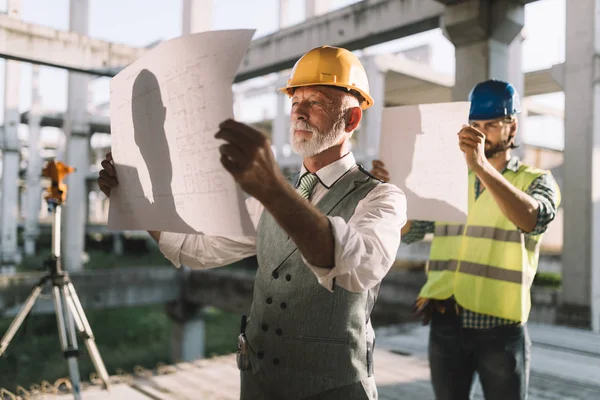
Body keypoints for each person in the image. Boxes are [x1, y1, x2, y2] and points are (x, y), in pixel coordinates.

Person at [98, 45, 407, 400]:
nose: (299, 114)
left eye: (316, 103)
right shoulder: (269, 195)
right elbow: (199, 249)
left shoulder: (382, 197)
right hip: (259, 383)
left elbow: (360, 266)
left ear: (351, 120)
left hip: (334, 389)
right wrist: (135, 202)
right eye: (295, 103)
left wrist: (274, 189)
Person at [371, 79, 561, 400]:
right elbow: (412, 230)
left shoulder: (536, 179)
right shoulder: (449, 176)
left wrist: (482, 167)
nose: (482, 132)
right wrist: (389, 189)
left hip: (499, 327)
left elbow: (533, 219)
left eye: (491, 124)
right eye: (475, 124)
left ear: (511, 126)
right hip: (446, 321)